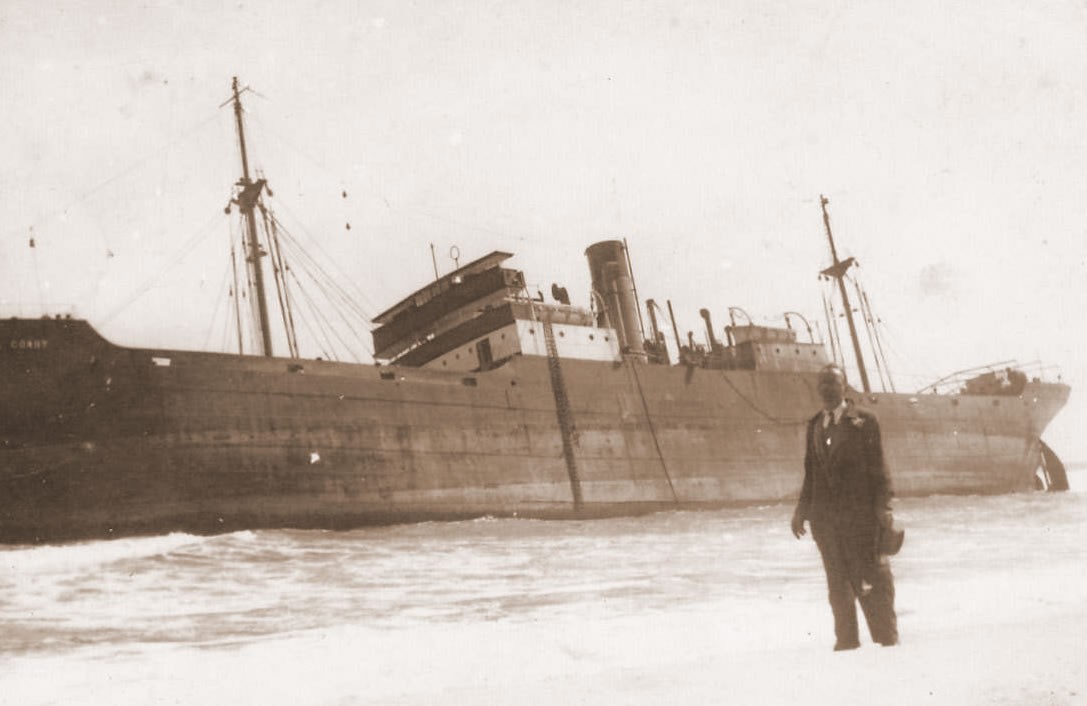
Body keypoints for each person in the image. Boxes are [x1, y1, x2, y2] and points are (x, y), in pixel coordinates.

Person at [791, 364, 899, 651]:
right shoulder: (814, 425)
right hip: (826, 522)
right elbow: (811, 473)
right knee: (837, 583)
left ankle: (887, 638)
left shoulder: (864, 421)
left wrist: (884, 509)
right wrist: (801, 511)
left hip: (860, 518)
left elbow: (880, 470)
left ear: (844, 387)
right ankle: (847, 641)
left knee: (871, 576)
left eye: (833, 383)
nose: (827, 388)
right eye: (823, 383)